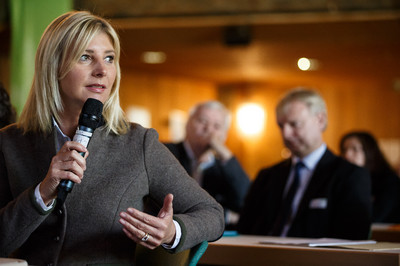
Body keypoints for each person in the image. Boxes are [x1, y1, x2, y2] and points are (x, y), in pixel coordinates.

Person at [0, 11, 224, 265]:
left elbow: (212, 214)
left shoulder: (139, 143)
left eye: (109, 58)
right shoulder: (9, 143)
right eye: (85, 57)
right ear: (53, 65)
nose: (101, 70)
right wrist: (42, 193)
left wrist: (171, 231)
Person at [237, 88, 372, 240]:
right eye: (281, 126)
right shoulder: (267, 176)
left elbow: (353, 238)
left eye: (294, 124)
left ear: (320, 120)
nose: (286, 133)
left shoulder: (350, 175)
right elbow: (244, 229)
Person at [164, 101, 250, 229]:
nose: (209, 130)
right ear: (188, 124)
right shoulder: (166, 153)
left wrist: (225, 152)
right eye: (202, 121)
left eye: (217, 126)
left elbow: (246, 200)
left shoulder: (224, 167)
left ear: (224, 134)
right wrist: (226, 215)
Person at [340, 131, 400, 223]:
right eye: (344, 150)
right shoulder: (341, 179)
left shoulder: (389, 181)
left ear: (369, 152)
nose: (347, 155)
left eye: (354, 149)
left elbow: (373, 216)